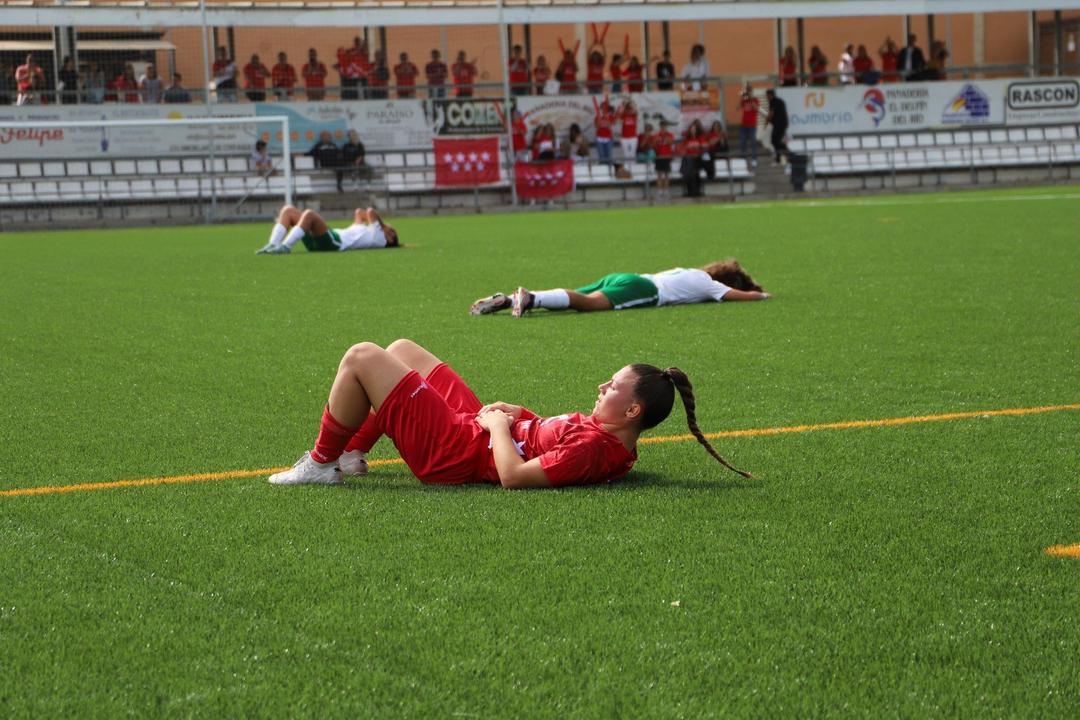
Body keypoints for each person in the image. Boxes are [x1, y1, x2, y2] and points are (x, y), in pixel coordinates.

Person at [266, 338, 753, 487]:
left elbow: (514, 477)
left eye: (612, 387)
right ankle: (351, 455)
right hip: (483, 433)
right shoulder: (609, 437)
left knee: (362, 356)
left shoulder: (593, 449)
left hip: (457, 454)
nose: (602, 387)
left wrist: (499, 426)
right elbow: (550, 437)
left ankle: (322, 463)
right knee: (402, 350)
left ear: (632, 409)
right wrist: (519, 413)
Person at [470, 260, 769, 319]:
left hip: (626, 277)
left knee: (575, 297)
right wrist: (761, 294)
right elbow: (738, 296)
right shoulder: (710, 284)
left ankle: (510, 299)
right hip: (645, 289)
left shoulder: (691, 271)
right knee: (588, 303)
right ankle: (531, 298)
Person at [256, 205, 400, 255]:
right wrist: (381, 225)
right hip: (325, 240)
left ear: (390, 238)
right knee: (288, 211)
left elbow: (370, 212)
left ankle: (286, 246)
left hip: (335, 242)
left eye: (391, 230)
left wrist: (383, 225)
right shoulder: (369, 231)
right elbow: (359, 212)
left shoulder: (380, 239)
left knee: (309, 214)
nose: (388, 227)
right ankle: (273, 244)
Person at [680, 119, 707, 197]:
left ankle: (696, 190)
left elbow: (705, 146)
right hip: (689, 160)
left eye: (694, 129)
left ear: (696, 130)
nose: (692, 130)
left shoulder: (700, 138)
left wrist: (698, 146)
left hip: (698, 159)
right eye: (691, 129)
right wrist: (688, 147)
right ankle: (690, 191)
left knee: (693, 172)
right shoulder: (687, 139)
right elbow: (682, 149)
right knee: (689, 165)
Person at [652, 119, 676, 199]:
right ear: (660, 126)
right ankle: (659, 191)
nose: (663, 127)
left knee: (666, 174)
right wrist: (656, 141)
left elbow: (671, 143)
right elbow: (653, 146)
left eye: (665, 126)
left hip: (667, 156)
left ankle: (666, 191)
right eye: (662, 126)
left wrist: (665, 138)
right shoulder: (656, 135)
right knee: (659, 175)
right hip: (659, 156)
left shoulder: (670, 135)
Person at [738, 84, 760, 168]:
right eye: (747, 90)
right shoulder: (744, 100)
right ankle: (743, 158)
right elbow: (738, 108)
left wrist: (750, 98)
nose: (748, 91)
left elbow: (756, 108)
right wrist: (742, 98)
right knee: (742, 142)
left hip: (752, 125)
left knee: (753, 142)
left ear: (752, 91)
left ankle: (754, 159)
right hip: (743, 125)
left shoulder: (755, 99)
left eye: (749, 90)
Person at [764, 89, 788, 163]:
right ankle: (780, 155)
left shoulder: (773, 102)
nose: (766, 97)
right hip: (781, 124)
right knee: (776, 141)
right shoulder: (779, 101)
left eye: (767, 96)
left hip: (779, 124)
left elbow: (771, 114)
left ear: (770, 95)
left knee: (774, 140)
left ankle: (786, 153)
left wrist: (766, 122)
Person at [592, 95, 615, 167]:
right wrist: (599, 122)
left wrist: (607, 122)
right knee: (601, 156)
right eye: (602, 108)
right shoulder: (597, 117)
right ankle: (602, 170)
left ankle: (610, 171)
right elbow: (596, 126)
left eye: (605, 108)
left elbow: (611, 126)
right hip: (599, 138)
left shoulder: (610, 117)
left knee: (609, 156)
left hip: (608, 138)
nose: (603, 109)